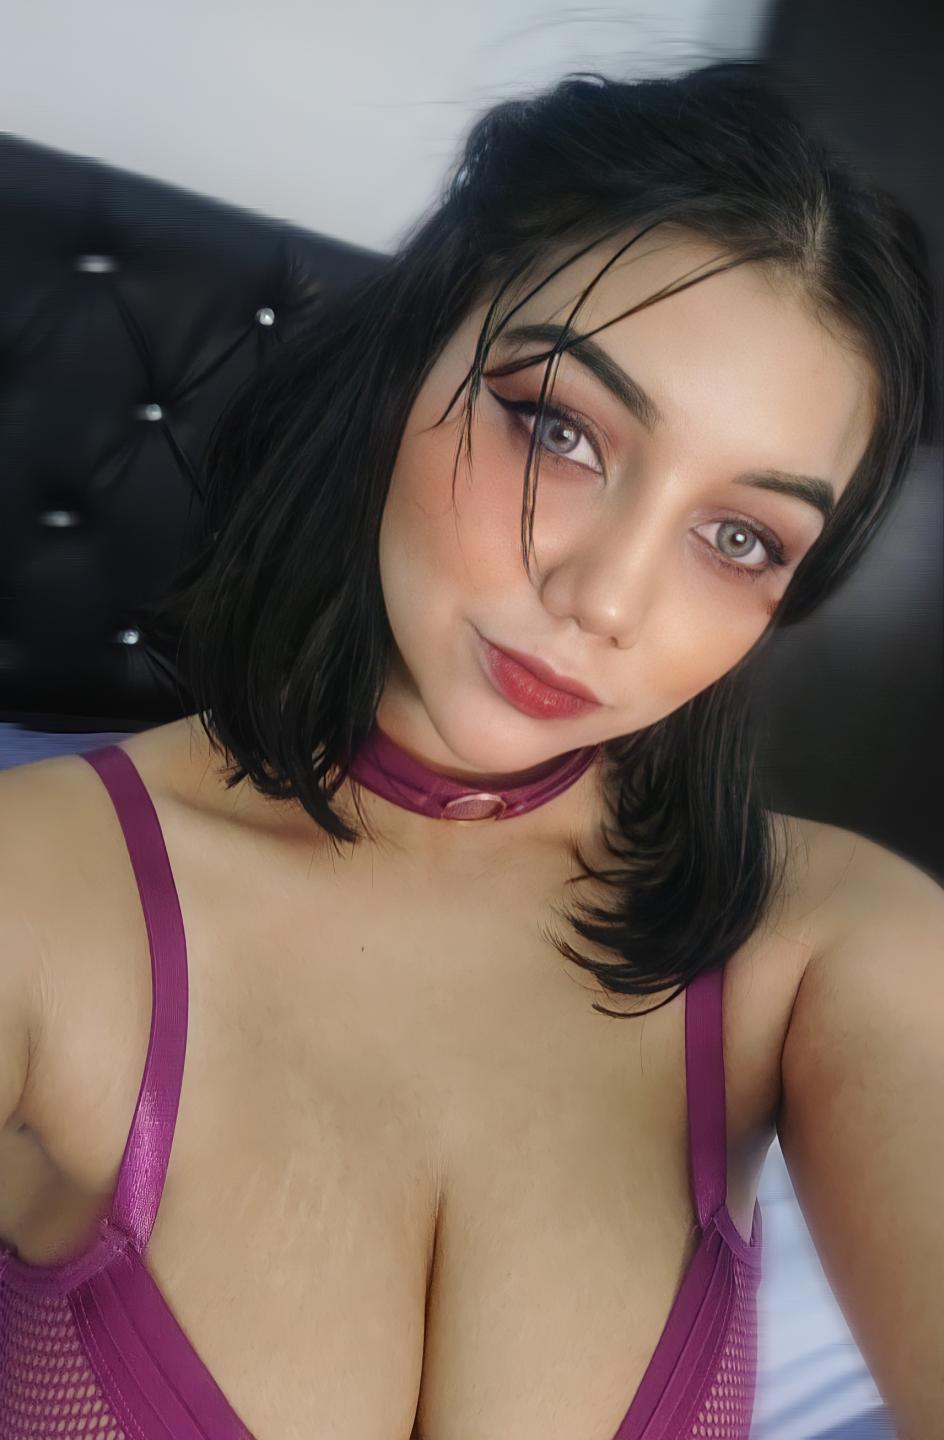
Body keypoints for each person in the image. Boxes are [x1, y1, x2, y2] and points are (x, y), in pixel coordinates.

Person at [0, 59, 939, 1440]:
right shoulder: (34, 894)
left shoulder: (833, 946)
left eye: (740, 537)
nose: (605, 600)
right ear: (412, 360)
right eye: (561, 429)